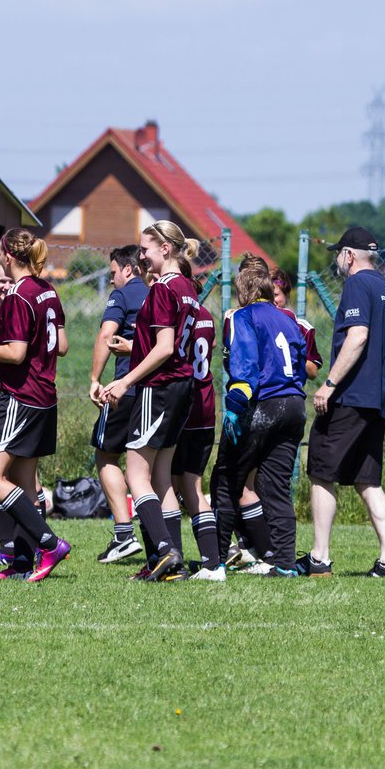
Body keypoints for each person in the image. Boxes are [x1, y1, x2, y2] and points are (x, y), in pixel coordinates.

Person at [302, 226, 385, 578]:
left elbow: (358, 336)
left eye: (338, 254)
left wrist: (329, 384)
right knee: (367, 479)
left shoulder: (357, 285)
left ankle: (320, 556)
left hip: (352, 397)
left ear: (349, 255)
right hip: (379, 400)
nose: (337, 261)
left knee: (320, 469)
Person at [99, 220, 200, 583]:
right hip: (182, 387)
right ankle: (171, 564)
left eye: (145, 249)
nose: (141, 255)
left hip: (159, 388)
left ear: (166, 249)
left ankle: (165, 551)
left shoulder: (162, 290)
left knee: (135, 474)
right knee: (161, 478)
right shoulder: (187, 287)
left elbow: (165, 348)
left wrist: (125, 380)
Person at [0, 228, 71, 583]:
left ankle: (49, 542)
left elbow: (15, 353)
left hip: (20, 396)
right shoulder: (48, 290)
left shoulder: (18, 295)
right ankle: (20, 565)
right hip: (44, 395)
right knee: (24, 484)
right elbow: (61, 346)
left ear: (6, 254)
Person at [214, 256, 308, 577]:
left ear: (243, 292)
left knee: (226, 478)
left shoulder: (244, 315)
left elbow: (245, 369)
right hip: (295, 405)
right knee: (275, 484)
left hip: (264, 405)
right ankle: (283, 563)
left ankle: (215, 560)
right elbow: (301, 359)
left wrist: (235, 407)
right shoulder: (289, 318)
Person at [88, 245, 148, 563]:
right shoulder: (156, 293)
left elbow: (105, 336)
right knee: (145, 465)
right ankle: (159, 540)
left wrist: (95, 380)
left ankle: (124, 535)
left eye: (113, 273)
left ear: (127, 269)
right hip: (155, 393)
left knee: (106, 454)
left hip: (123, 389)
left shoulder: (124, 295)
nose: (112, 280)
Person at [170, 284, 222, 580]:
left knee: (167, 484)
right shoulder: (206, 315)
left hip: (183, 407)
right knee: (192, 485)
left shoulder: (182, 315)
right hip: (206, 406)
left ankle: (172, 558)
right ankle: (211, 561)